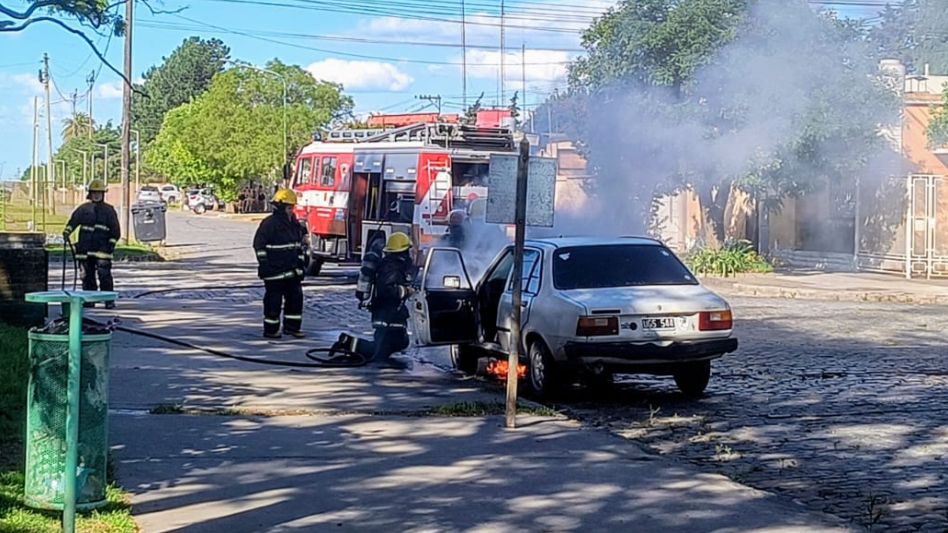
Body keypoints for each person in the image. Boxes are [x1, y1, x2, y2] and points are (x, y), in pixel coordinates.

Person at [339, 232, 417, 368]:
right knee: (380, 351)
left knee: (395, 344)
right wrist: (406, 291)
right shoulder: (391, 267)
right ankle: (347, 342)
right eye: (407, 250)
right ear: (402, 251)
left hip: (390, 316)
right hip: (387, 318)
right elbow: (386, 290)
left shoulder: (394, 265)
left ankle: (350, 343)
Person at [253, 188, 307, 339]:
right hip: (274, 271)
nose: (291, 211)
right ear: (281, 207)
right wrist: (265, 264)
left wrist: (301, 266)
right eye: (289, 208)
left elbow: (299, 247)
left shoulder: (295, 224)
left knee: (295, 299)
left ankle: (292, 328)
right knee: (273, 302)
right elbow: (259, 245)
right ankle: (271, 330)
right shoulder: (269, 224)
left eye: (292, 207)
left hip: (292, 271)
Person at [63, 179, 120, 308]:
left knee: (104, 276)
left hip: (102, 251)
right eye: (94, 192)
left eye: (99, 192)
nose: (96, 195)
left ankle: (108, 300)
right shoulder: (83, 209)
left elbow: (115, 231)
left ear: (103, 194)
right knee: (87, 276)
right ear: (90, 193)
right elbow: (73, 222)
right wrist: (67, 232)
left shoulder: (109, 210)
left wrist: (111, 245)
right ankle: (89, 299)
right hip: (85, 249)